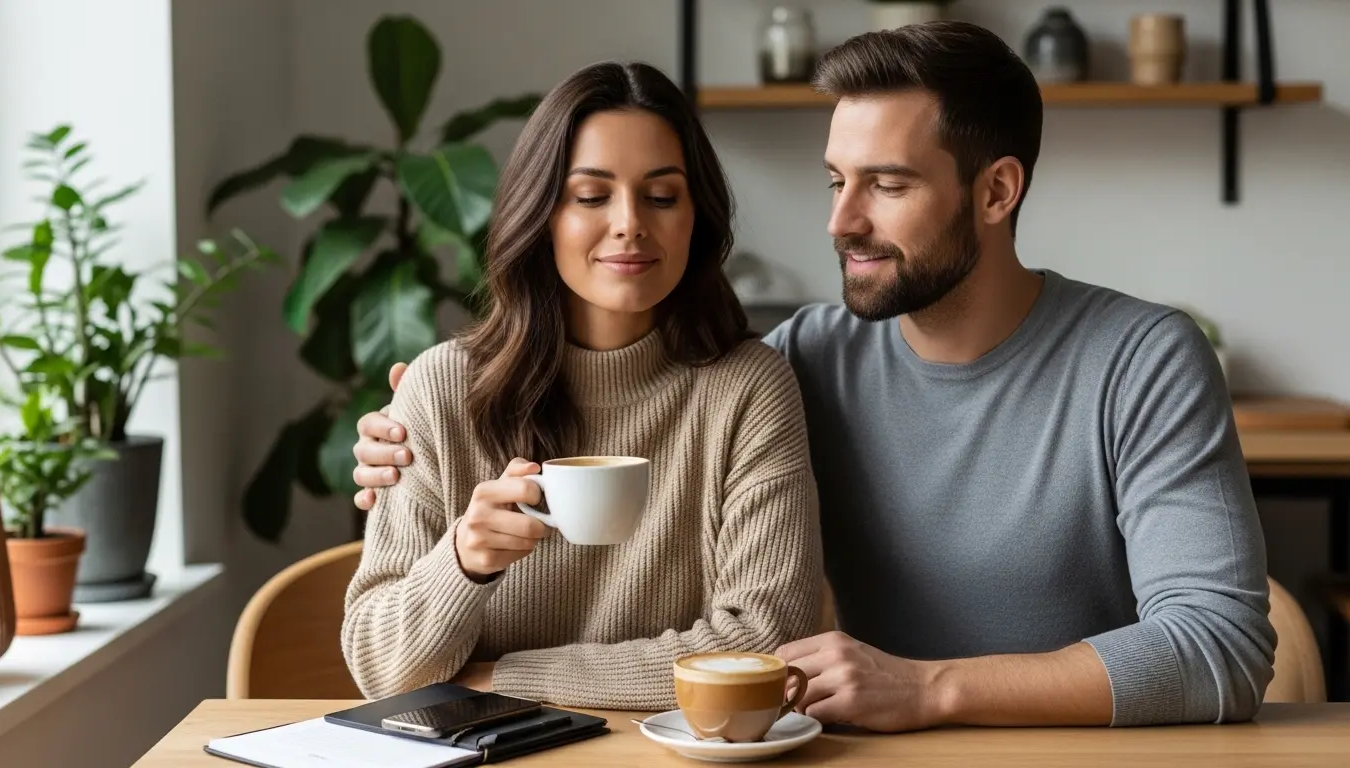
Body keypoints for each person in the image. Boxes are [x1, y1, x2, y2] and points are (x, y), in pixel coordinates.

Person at [352, 22, 1276, 731]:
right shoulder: (807, 359)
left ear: (996, 191)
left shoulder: (1144, 359)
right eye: (836, 182)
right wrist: (412, 430)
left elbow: (1220, 648)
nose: (841, 222)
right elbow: (658, 392)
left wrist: (933, 688)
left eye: (888, 185)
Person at [339, 59, 825, 712]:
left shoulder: (748, 389)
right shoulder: (441, 388)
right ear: (542, 215)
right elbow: (380, 669)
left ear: (697, 217)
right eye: (591, 196)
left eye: (662, 196)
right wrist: (462, 561)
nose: (630, 223)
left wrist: (503, 679)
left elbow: (764, 643)